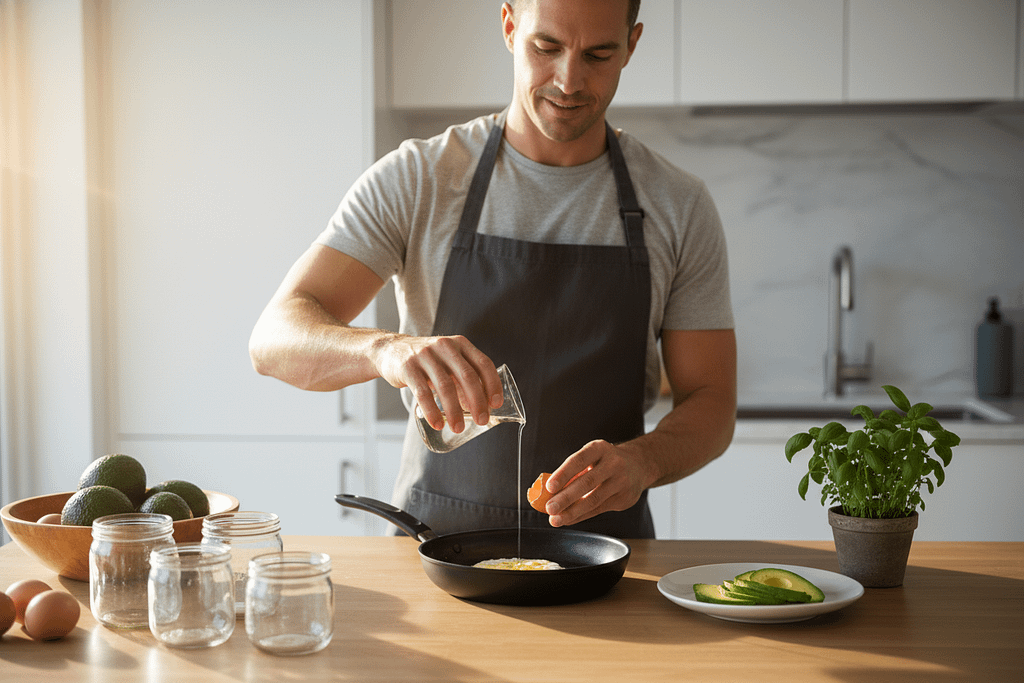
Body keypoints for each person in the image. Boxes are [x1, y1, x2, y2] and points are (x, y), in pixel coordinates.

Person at [249, 0, 736, 538]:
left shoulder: (678, 204)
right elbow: (273, 339)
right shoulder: (420, 179)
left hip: (608, 559)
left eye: (598, 54)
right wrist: (384, 349)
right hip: (434, 552)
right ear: (509, 26)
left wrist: (643, 462)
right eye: (546, 47)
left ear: (631, 45)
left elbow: (711, 402)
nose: (569, 81)